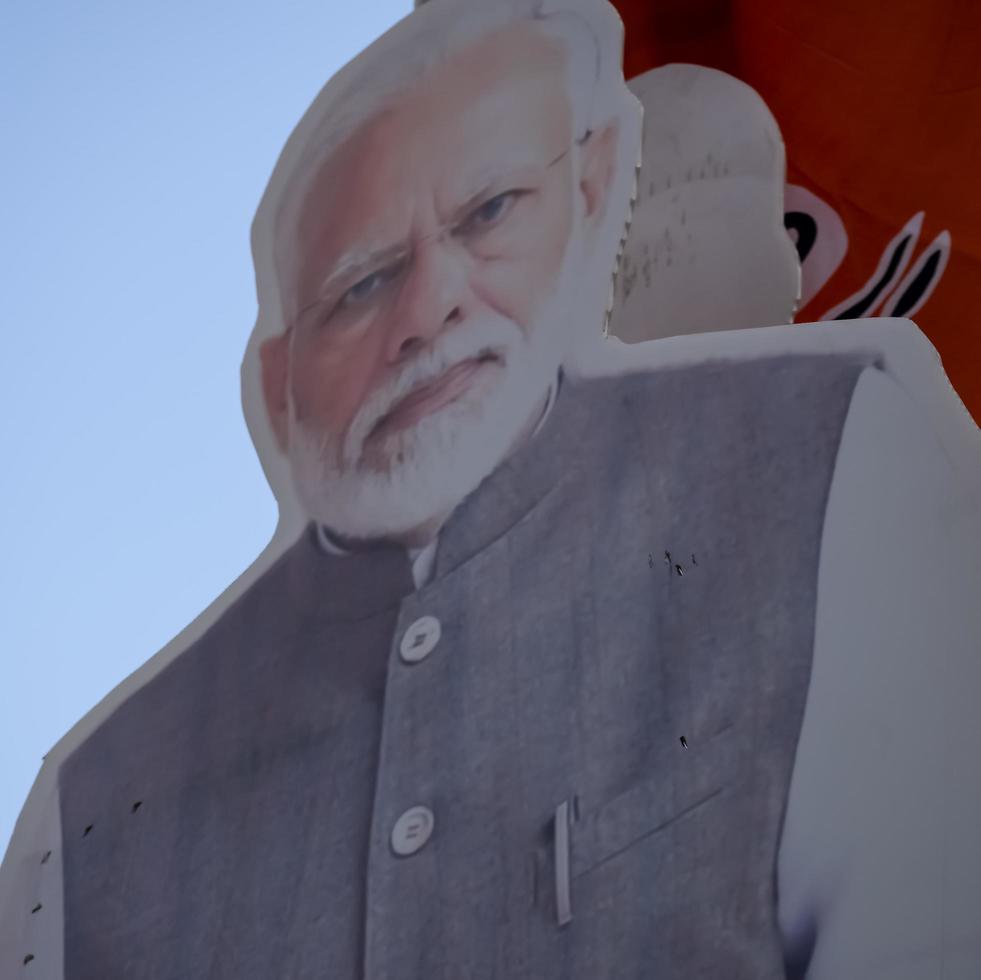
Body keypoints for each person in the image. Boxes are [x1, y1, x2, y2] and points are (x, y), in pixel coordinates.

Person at [2, 0, 980, 977]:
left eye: (488, 214)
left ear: (591, 195)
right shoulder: (90, 814)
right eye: (362, 283)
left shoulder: (834, 458)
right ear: (276, 384)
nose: (431, 308)